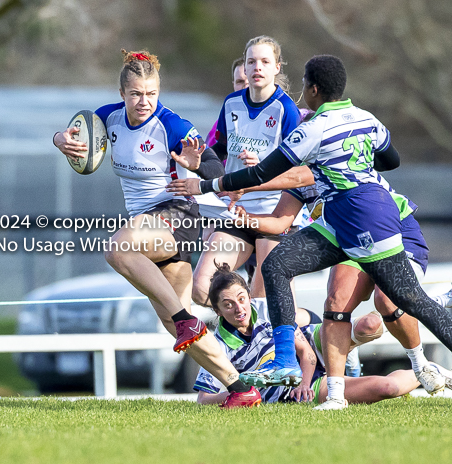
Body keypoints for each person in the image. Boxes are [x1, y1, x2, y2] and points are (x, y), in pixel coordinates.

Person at [166, 54, 452, 410]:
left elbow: (261, 174)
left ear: (314, 89)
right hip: (339, 219)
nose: (302, 91)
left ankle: (430, 336)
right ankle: (289, 363)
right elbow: (390, 160)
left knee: (405, 301)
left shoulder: (312, 129)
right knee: (279, 265)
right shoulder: (367, 118)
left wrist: (206, 184)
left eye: (304, 85)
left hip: (367, 216)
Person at [53, 49, 259, 407]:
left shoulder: (172, 124)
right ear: (122, 94)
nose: (144, 101)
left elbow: (212, 165)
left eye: (151, 93)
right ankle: (241, 388)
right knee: (171, 318)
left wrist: (201, 167)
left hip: (176, 213)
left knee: (118, 249)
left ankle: (185, 321)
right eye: (136, 94)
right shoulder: (107, 119)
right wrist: (61, 140)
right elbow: (73, 134)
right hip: (146, 227)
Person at [234, 182, 450, 397]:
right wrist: (244, 216)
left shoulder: (321, 158)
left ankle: (421, 364)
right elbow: (281, 220)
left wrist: (241, 183)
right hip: (349, 239)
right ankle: (335, 396)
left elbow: (387, 157)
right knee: (336, 303)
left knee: (387, 300)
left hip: (391, 229)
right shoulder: (296, 172)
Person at [194, 264, 449, 407]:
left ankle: (420, 305)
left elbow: (306, 354)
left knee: (369, 325)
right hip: (294, 391)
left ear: (249, 296)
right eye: (228, 305)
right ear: (216, 310)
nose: (239, 309)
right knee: (387, 387)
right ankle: (431, 371)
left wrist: (302, 382)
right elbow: (203, 399)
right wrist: (246, 389)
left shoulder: (264, 310)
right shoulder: (217, 345)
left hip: (308, 354)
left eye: (241, 299)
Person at [192, 35, 305, 306]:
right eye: (251, 61)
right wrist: (199, 164)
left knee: (265, 301)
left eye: (265, 61)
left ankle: (303, 331)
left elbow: (298, 172)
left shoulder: (286, 110)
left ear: (277, 67)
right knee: (201, 290)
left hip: (272, 216)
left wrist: (265, 165)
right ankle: (248, 330)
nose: (257, 67)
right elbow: (217, 150)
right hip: (235, 213)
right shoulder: (232, 104)